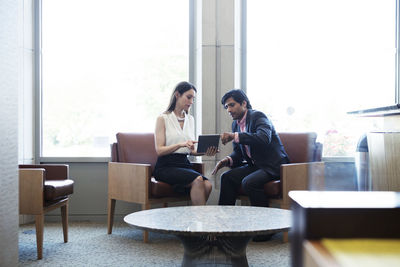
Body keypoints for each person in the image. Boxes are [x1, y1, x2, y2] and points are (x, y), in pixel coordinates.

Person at [212, 89, 289, 208]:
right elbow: (238, 153)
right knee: (226, 177)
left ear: (243, 103)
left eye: (232, 105)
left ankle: (261, 221)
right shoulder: (235, 124)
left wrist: (234, 136)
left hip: (272, 165)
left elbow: (264, 138)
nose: (229, 110)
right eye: (226, 107)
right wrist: (227, 160)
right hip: (256, 166)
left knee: (249, 182)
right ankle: (224, 220)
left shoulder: (258, 116)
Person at [154, 81, 217, 205]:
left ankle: (195, 220)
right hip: (166, 165)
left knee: (208, 185)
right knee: (198, 180)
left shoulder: (190, 119)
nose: (191, 102)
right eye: (189, 97)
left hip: (184, 164)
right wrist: (180, 144)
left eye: (193, 98)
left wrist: (205, 151)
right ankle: (200, 222)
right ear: (177, 95)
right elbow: (159, 150)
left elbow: (191, 150)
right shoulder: (163, 118)